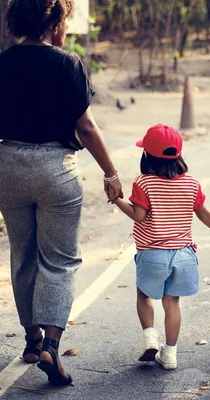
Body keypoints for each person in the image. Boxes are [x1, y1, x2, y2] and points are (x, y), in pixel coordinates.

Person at [0, 0, 122, 386]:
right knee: (60, 260)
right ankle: (52, 343)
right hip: (56, 169)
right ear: (55, 22)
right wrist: (111, 173)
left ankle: (32, 340)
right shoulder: (66, 63)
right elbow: (85, 126)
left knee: (23, 256)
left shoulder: (2, 62)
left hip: (7, 165)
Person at [113, 124, 210, 370]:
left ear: (147, 155)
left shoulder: (144, 183)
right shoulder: (191, 183)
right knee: (172, 303)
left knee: (144, 295)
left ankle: (149, 338)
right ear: (179, 155)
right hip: (184, 256)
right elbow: (202, 214)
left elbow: (138, 216)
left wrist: (116, 199)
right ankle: (170, 354)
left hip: (152, 254)